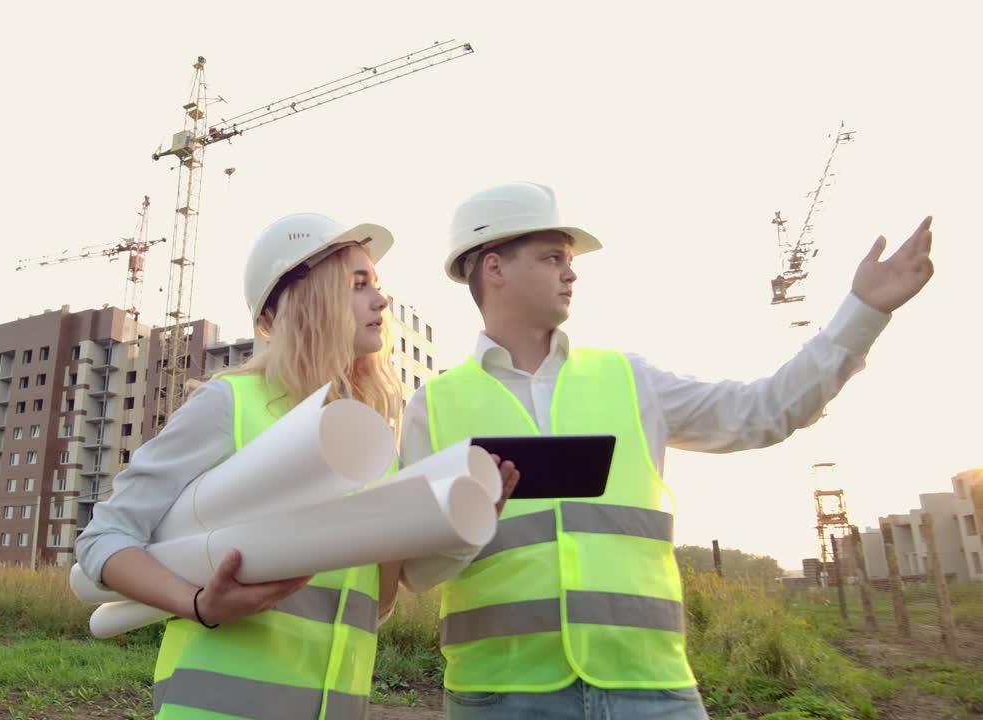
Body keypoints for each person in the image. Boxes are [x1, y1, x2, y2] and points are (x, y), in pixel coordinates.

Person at [399, 181, 935, 719]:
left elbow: (765, 410)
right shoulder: (434, 406)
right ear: (494, 269)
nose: (571, 272)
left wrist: (863, 312)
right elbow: (417, 572)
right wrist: (468, 523)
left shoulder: (630, 380)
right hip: (501, 695)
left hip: (649, 688)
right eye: (552, 258)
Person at [76, 212, 406, 719]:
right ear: (304, 297)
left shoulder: (372, 437)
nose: (380, 299)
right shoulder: (230, 403)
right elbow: (105, 539)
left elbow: (369, 605)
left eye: (377, 285)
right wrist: (199, 605)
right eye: (358, 283)